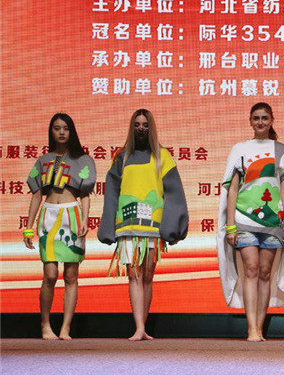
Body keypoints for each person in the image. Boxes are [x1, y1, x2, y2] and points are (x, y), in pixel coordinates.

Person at [98, 109, 189, 341]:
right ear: (132, 127)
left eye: (145, 125)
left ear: (151, 128)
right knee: (134, 274)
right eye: (137, 124)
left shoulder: (162, 156)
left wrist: (174, 225)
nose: (141, 128)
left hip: (152, 226)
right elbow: (111, 193)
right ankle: (139, 327)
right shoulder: (121, 157)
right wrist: (108, 226)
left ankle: (143, 326)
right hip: (128, 226)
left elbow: (174, 192)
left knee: (148, 275)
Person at [217, 102, 284, 342]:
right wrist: (230, 225)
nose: (260, 122)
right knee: (251, 269)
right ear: (250, 121)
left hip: (273, 222)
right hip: (244, 220)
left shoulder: (281, 150)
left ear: (272, 120)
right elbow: (232, 189)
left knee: (265, 273)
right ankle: (251, 328)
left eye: (265, 118)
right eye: (256, 118)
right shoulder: (240, 149)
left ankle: (260, 328)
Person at [24, 113, 96, 340]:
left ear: (71, 131)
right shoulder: (43, 160)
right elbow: (36, 195)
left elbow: (85, 195)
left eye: (66, 128)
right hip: (48, 216)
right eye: (57, 128)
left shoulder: (83, 160)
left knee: (71, 274)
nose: (62, 132)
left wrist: (84, 219)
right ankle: (45, 325)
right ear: (51, 131)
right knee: (50, 274)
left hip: (71, 216)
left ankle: (65, 327)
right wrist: (28, 228)